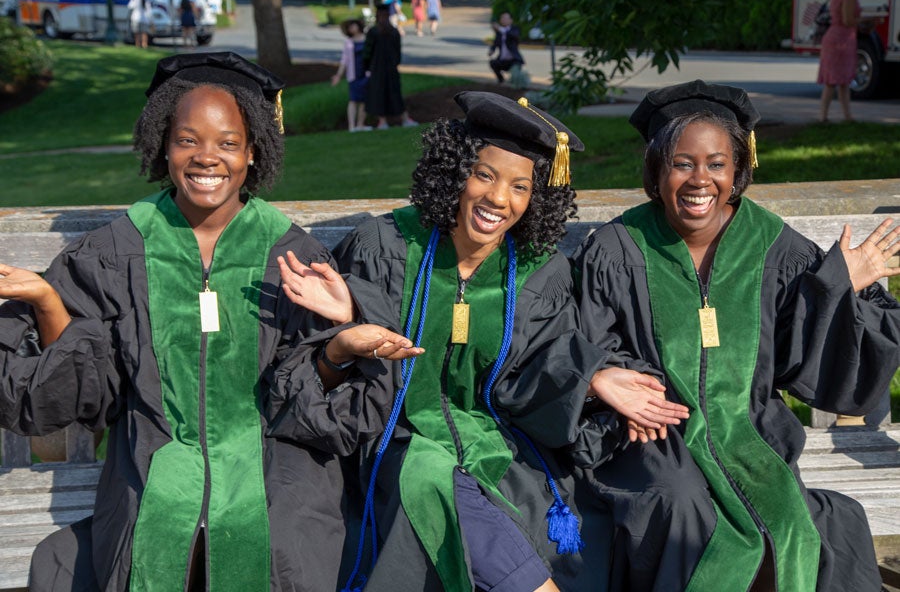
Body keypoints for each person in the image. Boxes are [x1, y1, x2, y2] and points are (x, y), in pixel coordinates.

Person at [0, 51, 419, 591]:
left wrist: (338, 345)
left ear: (252, 153)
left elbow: (309, 408)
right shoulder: (117, 249)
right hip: (153, 454)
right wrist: (46, 299)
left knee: (268, 540)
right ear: (163, 145)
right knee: (159, 527)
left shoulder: (290, 254)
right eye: (187, 139)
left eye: (227, 143)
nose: (206, 158)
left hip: (273, 462)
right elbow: (79, 391)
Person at [280, 91, 691, 592]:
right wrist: (348, 324)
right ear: (455, 172)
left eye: (521, 186)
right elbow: (342, 366)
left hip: (500, 442)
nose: (500, 199)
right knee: (430, 476)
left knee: (532, 507)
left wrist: (593, 379)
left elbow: (539, 368)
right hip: (393, 438)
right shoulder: (386, 247)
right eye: (485, 175)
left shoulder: (540, 273)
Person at [573, 79, 900, 591]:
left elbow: (800, 352)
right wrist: (624, 388)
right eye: (682, 163)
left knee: (804, 525)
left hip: (751, 435)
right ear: (657, 170)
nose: (699, 179)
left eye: (716, 164)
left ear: (738, 169)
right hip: (655, 437)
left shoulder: (770, 243)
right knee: (682, 510)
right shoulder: (618, 248)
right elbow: (590, 343)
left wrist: (841, 286)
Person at [364, 3, 418, 130]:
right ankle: (404, 119)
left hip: (377, 69)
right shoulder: (394, 31)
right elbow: (398, 52)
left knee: (379, 94)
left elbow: (367, 53)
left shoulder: (373, 32)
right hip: (391, 68)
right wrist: (395, 63)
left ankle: (383, 122)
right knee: (395, 93)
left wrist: (367, 67)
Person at [817, 0, 860, 122]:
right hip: (842, 40)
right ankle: (827, 117)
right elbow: (848, 20)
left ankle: (838, 116)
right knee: (838, 81)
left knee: (838, 81)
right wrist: (866, 21)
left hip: (834, 37)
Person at [333, 18, 372, 132]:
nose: (352, 29)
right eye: (349, 28)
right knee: (353, 100)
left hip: (366, 73)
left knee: (364, 100)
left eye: (353, 26)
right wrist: (338, 75)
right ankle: (351, 126)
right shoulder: (348, 42)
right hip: (354, 74)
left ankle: (360, 124)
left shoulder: (367, 39)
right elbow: (344, 60)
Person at [488, 11, 525, 84]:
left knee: (515, 80)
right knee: (493, 63)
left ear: (511, 20)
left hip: (514, 60)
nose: (503, 20)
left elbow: (514, 36)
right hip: (503, 61)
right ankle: (501, 80)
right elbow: (495, 43)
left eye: (505, 18)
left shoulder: (515, 29)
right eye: (502, 18)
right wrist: (492, 50)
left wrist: (500, 29)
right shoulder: (499, 32)